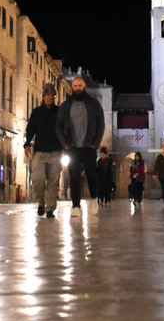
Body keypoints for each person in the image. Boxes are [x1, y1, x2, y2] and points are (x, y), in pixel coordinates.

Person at [55, 75, 105, 215]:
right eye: (75, 86)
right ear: (72, 87)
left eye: (80, 86)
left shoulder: (94, 104)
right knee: (74, 176)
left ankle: (94, 199)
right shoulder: (65, 105)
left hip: (89, 146)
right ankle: (76, 206)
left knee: (91, 175)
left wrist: (96, 143)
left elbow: (101, 124)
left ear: (84, 87)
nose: (77, 88)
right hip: (72, 147)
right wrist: (65, 144)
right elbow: (58, 126)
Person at [24, 83, 64, 218]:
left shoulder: (60, 112)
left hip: (56, 152)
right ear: (43, 97)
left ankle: (50, 209)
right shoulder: (36, 112)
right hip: (40, 152)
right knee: (37, 180)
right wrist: (27, 143)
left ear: (54, 97)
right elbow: (30, 130)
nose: (50, 98)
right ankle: (41, 202)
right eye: (47, 95)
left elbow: (65, 130)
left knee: (53, 182)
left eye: (52, 96)